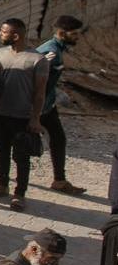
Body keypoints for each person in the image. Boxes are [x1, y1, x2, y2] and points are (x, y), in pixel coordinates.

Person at [0, 18, 47, 211]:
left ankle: (19, 194)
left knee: (21, 157)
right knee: (1, 151)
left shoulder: (38, 60)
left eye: (4, 32)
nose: (0, 34)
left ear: (16, 36)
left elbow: (40, 93)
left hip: (22, 117)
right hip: (0, 113)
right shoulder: (1, 53)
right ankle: (2, 185)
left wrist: (35, 118)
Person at [34, 15, 85, 192]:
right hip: (38, 106)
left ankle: (59, 180)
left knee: (58, 139)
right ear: (62, 33)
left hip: (47, 105)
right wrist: (35, 112)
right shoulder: (51, 53)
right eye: (74, 34)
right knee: (9, 137)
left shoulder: (56, 49)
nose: (78, 37)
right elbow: (37, 83)